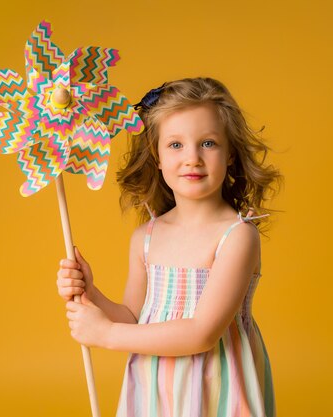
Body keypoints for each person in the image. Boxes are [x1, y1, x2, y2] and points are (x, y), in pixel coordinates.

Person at [57, 78, 282, 417]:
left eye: (208, 143)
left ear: (231, 154)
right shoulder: (147, 237)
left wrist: (105, 334)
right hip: (155, 388)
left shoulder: (237, 237)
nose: (192, 158)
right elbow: (133, 319)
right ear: (157, 156)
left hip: (217, 385)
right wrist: (91, 293)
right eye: (175, 145)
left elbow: (201, 333)